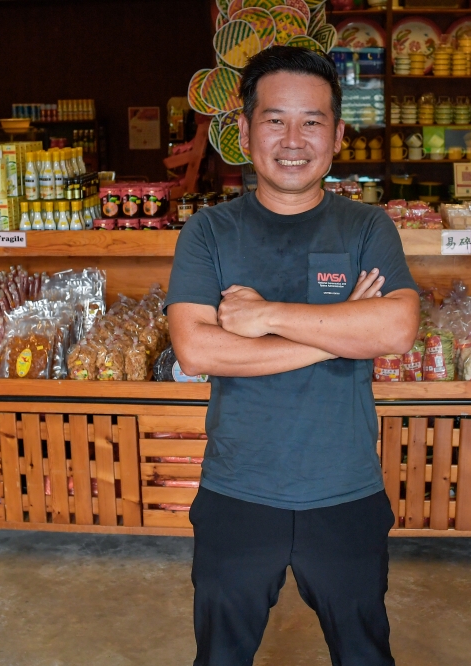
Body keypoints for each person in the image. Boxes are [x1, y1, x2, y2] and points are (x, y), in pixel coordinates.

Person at [165, 46, 421, 666]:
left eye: (312, 121)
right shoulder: (208, 232)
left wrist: (264, 318)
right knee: (220, 656)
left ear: (336, 136)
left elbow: (397, 328)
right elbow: (197, 348)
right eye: (275, 119)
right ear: (246, 131)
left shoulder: (367, 228)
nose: (293, 139)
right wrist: (337, 329)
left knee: (364, 654)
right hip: (237, 490)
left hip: (346, 490)